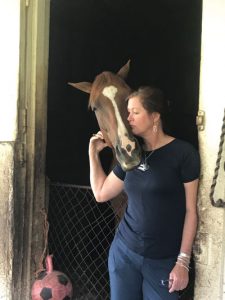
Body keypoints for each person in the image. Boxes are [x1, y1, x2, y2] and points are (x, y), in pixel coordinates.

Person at [89, 86, 200, 300]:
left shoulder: (183, 154)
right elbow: (101, 193)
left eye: (135, 112)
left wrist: (183, 262)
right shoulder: (131, 154)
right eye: (127, 112)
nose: (128, 117)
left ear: (155, 116)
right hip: (124, 253)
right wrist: (92, 154)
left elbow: (190, 211)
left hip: (163, 260)